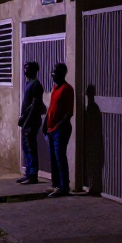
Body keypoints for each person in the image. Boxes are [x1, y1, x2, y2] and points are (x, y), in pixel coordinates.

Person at [44, 63, 75, 198]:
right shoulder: (55, 88)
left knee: (60, 158)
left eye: (56, 72)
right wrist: (45, 124)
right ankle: (56, 185)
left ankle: (64, 187)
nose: (53, 75)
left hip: (60, 130)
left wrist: (58, 126)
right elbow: (51, 108)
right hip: (51, 129)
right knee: (53, 158)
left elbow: (69, 112)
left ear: (63, 74)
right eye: (53, 72)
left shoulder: (67, 89)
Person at [16, 62, 45, 185]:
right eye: (24, 69)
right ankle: (28, 173)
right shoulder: (28, 83)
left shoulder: (36, 85)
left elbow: (34, 105)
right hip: (27, 120)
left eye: (27, 69)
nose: (25, 71)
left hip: (31, 121)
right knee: (26, 148)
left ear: (33, 70)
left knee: (31, 147)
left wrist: (25, 120)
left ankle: (33, 175)